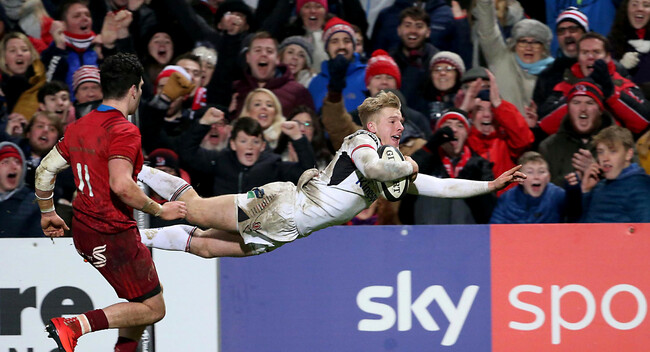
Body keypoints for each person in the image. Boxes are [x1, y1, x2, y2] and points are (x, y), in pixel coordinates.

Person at [136, 91, 525, 258]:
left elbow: (438, 186)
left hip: (288, 231)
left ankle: (137, 238)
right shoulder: (362, 142)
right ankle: (135, 169)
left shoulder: (391, 167)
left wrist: (490, 185)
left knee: (204, 247)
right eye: (393, 120)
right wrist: (409, 164)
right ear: (373, 125)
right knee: (196, 210)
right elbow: (373, 167)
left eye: (402, 120)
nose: (401, 126)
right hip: (281, 207)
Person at [34, 53, 187, 352]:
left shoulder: (79, 126)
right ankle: (74, 325)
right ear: (133, 90)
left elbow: (45, 171)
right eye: (141, 88)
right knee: (154, 308)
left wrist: (47, 212)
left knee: (140, 301)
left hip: (85, 229)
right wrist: (160, 210)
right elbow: (121, 185)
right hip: (111, 230)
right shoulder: (124, 130)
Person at [177, 110, 316, 196]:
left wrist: (298, 138)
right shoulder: (220, 160)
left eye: (255, 142)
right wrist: (203, 123)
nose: (249, 147)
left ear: (262, 146)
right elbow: (187, 153)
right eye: (243, 141)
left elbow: (307, 171)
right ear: (233, 144)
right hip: (222, 226)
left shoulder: (273, 165)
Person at [538, 32, 650, 136]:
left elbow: (643, 122)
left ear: (607, 57)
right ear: (578, 58)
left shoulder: (623, 85)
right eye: (585, 52)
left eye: (596, 52)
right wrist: (580, 92)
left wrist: (611, 93)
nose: (590, 57)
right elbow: (545, 124)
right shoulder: (565, 86)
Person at [400, 108, 497, 225]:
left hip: (467, 233)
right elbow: (406, 178)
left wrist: (476, 186)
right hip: (428, 232)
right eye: (448, 125)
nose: (454, 130)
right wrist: (430, 147)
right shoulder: (428, 162)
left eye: (460, 126)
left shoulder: (480, 165)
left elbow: (489, 211)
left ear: (467, 133)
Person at [474, 0, 554, 118]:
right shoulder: (501, 59)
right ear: (514, 44)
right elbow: (488, 30)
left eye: (535, 42)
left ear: (544, 48)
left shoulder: (554, 74)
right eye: (523, 41)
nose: (528, 47)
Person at [461, 70, 534, 195]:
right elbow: (448, 139)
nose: (486, 115)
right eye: (479, 109)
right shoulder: (464, 141)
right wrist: (463, 109)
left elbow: (525, 140)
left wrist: (499, 104)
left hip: (506, 204)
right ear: (471, 115)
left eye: (491, 109)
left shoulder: (506, 141)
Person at [539, 79, 617, 186]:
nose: (583, 108)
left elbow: (631, 187)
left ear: (600, 110)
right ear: (568, 109)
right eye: (576, 103)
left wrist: (597, 173)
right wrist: (569, 182)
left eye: (589, 103)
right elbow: (540, 190)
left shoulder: (619, 144)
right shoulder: (549, 147)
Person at [575, 125, 650, 222]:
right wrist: (586, 191)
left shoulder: (640, 186)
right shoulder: (599, 185)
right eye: (601, 152)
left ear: (628, 154)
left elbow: (646, 228)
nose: (605, 158)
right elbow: (585, 226)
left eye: (613, 151)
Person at [231, 31, 314, 118]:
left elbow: (309, 124)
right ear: (248, 57)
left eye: (269, 51)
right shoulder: (237, 89)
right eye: (258, 50)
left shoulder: (299, 92)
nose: (263, 54)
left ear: (277, 58)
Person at [489, 151, 570, 224]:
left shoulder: (557, 195)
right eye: (530, 172)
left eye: (541, 172)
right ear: (519, 178)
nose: (536, 177)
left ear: (548, 177)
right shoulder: (507, 198)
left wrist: (573, 189)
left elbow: (575, 215)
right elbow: (495, 228)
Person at [533, 7, 589, 108]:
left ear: (584, 33)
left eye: (573, 29)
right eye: (561, 31)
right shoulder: (547, 75)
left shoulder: (600, 68)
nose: (567, 35)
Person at [308, 17, 367, 113]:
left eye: (347, 41)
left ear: (353, 46)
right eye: (334, 41)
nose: (341, 46)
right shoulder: (315, 83)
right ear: (326, 48)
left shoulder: (367, 76)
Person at [0, 32, 47, 121]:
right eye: (12, 50)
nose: (19, 53)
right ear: (4, 58)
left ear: (31, 55)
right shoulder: (1, 92)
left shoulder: (44, 85)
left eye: (24, 50)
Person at [0, 141, 43, 237]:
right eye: (5, 162)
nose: (14, 167)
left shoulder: (33, 203)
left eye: (17, 162)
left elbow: (39, 242)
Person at [608, 0, 650, 85]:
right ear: (626, 8)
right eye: (634, 4)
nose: (640, 9)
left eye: (646, 5)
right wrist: (620, 67)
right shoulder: (612, 42)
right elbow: (605, 84)